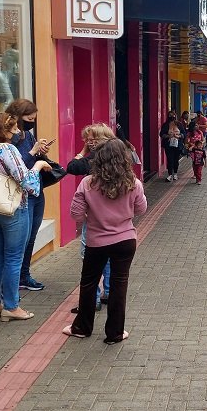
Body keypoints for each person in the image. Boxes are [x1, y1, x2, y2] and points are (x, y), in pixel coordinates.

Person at [64, 139, 148, 344]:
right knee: (119, 285)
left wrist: (92, 217)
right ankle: (115, 333)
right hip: (125, 240)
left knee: (89, 283)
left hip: (96, 241)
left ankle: (82, 327)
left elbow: (75, 214)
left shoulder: (87, 183)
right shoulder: (133, 183)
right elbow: (141, 209)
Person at [0, 113, 52, 322]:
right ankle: (11, 306)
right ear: (5, 131)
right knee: (13, 257)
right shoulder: (7, 149)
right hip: (13, 208)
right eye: (14, 129)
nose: (18, 132)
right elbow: (27, 182)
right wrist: (38, 166)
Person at [67, 123, 116, 312]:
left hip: (94, 218)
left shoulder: (92, 160)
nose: (89, 141)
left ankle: (92, 300)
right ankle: (109, 293)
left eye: (92, 138)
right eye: (86, 138)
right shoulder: (118, 160)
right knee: (110, 257)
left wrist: (83, 151)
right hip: (114, 219)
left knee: (89, 258)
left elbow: (71, 167)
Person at [5, 99, 51, 292]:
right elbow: (17, 168)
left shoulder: (28, 134)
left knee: (32, 237)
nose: (32, 122)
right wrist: (33, 151)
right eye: (29, 118)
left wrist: (41, 152)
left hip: (36, 191)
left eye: (34, 118)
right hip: (22, 196)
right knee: (22, 240)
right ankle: (15, 282)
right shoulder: (10, 139)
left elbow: (33, 160)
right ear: (17, 117)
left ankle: (24, 276)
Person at [160, 111, 184, 181]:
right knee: (170, 159)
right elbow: (161, 134)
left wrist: (179, 136)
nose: (172, 117)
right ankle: (170, 174)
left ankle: (175, 173)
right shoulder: (165, 125)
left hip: (177, 145)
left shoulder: (179, 124)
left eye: (173, 115)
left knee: (176, 160)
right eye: (170, 115)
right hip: (168, 145)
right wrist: (168, 136)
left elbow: (184, 133)